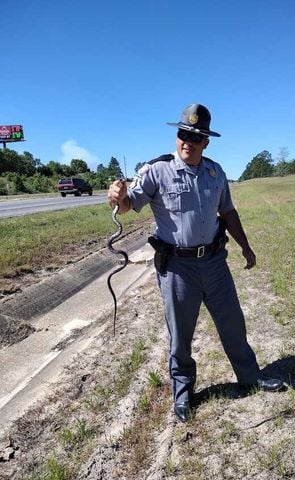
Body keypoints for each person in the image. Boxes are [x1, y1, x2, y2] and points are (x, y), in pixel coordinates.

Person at [107, 104, 283, 423]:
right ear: (177, 136)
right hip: (177, 268)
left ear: (206, 142)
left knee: (232, 321)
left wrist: (246, 247)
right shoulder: (156, 170)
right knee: (181, 333)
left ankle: (250, 376)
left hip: (215, 262)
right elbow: (130, 203)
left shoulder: (215, 173)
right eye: (183, 134)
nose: (187, 140)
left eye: (195, 136)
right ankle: (183, 391)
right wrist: (118, 196)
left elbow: (228, 212)